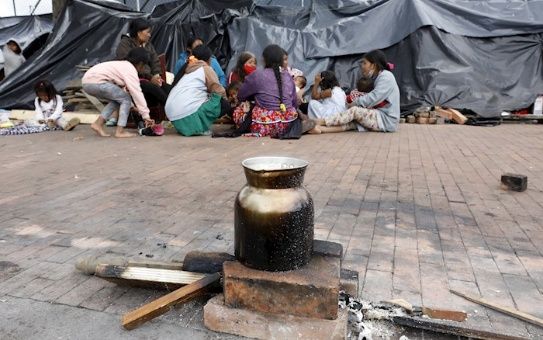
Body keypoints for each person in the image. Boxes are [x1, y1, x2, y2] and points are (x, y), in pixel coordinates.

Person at [316, 50, 400, 132]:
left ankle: (320, 121)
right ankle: (322, 129)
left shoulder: (386, 77)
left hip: (386, 119)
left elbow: (374, 97)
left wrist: (355, 103)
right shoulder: (379, 77)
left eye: (364, 63)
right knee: (353, 122)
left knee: (355, 111)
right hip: (382, 118)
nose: (362, 66)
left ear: (373, 65)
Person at [82, 47, 154, 138]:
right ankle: (120, 131)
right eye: (144, 66)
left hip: (87, 83)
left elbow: (122, 93)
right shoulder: (130, 69)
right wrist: (146, 116)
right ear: (140, 64)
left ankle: (98, 124)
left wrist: (134, 107)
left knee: (118, 100)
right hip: (97, 82)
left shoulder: (122, 66)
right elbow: (137, 92)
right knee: (125, 99)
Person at [233, 44, 300, 137]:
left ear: (264, 60)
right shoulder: (288, 76)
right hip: (288, 123)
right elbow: (294, 102)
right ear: (281, 60)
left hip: (265, 125)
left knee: (239, 110)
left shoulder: (257, 75)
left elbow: (241, 95)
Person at [165, 45, 229, 136]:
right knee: (223, 104)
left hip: (172, 114)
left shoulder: (187, 68)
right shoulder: (205, 68)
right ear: (209, 59)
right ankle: (199, 128)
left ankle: (188, 127)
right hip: (183, 112)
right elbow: (218, 90)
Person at [114, 19, 167, 126]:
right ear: (138, 33)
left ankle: (176, 112)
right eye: (147, 32)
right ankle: (173, 112)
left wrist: (156, 75)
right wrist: (150, 77)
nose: (150, 35)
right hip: (133, 80)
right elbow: (129, 67)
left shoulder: (148, 45)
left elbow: (155, 61)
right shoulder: (125, 44)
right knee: (155, 89)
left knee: (167, 88)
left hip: (149, 78)